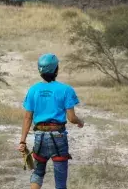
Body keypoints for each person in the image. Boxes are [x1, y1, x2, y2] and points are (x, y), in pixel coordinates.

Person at [18, 53, 84, 189]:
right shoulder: (66, 89)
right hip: (58, 137)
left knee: (38, 172)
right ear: (56, 69)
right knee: (60, 180)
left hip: (39, 137)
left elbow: (27, 117)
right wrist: (79, 121)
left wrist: (22, 141)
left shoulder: (33, 90)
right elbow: (71, 118)